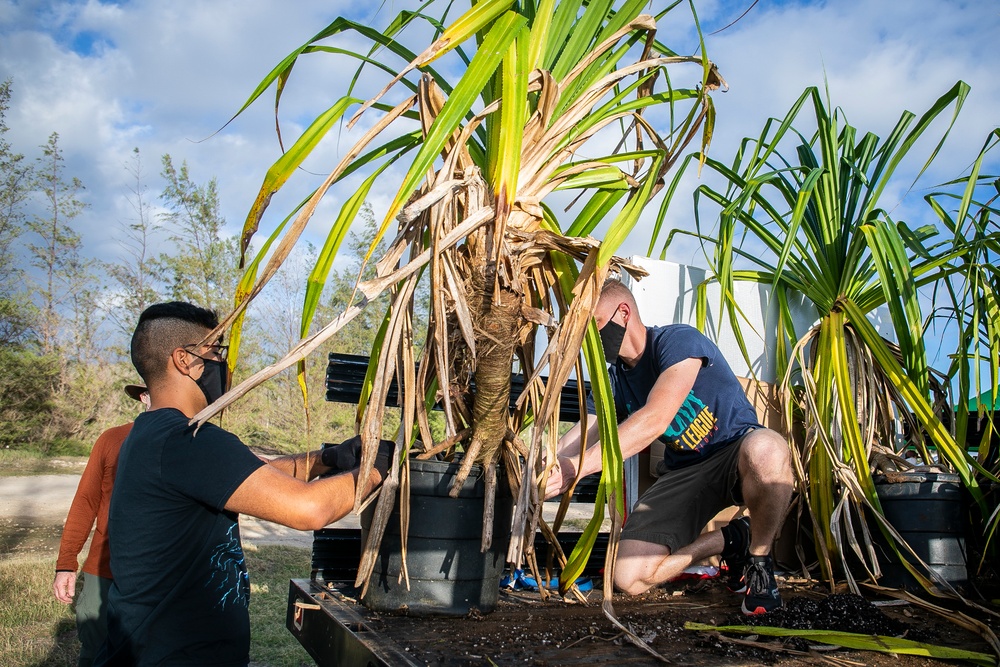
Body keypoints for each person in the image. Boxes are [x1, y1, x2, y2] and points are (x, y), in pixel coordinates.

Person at [94, 301, 393, 666]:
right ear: (184, 360)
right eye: (216, 351)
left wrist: (327, 460)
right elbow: (309, 510)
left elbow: (256, 476)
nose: (224, 364)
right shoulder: (189, 441)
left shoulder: (151, 435)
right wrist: (379, 467)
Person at [545, 278, 794, 615]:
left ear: (623, 312)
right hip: (686, 471)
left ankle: (761, 564)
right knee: (628, 577)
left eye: (596, 324)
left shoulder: (676, 340)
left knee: (768, 450)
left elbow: (656, 418)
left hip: (735, 448)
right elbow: (580, 434)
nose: (590, 336)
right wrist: (546, 467)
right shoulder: (613, 381)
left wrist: (578, 467)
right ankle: (732, 540)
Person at [53, 384, 150, 667]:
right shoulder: (112, 439)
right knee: (95, 652)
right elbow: (85, 501)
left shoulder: (189, 440)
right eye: (152, 389)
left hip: (157, 575)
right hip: (103, 569)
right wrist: (66, 563)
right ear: (143, 397)